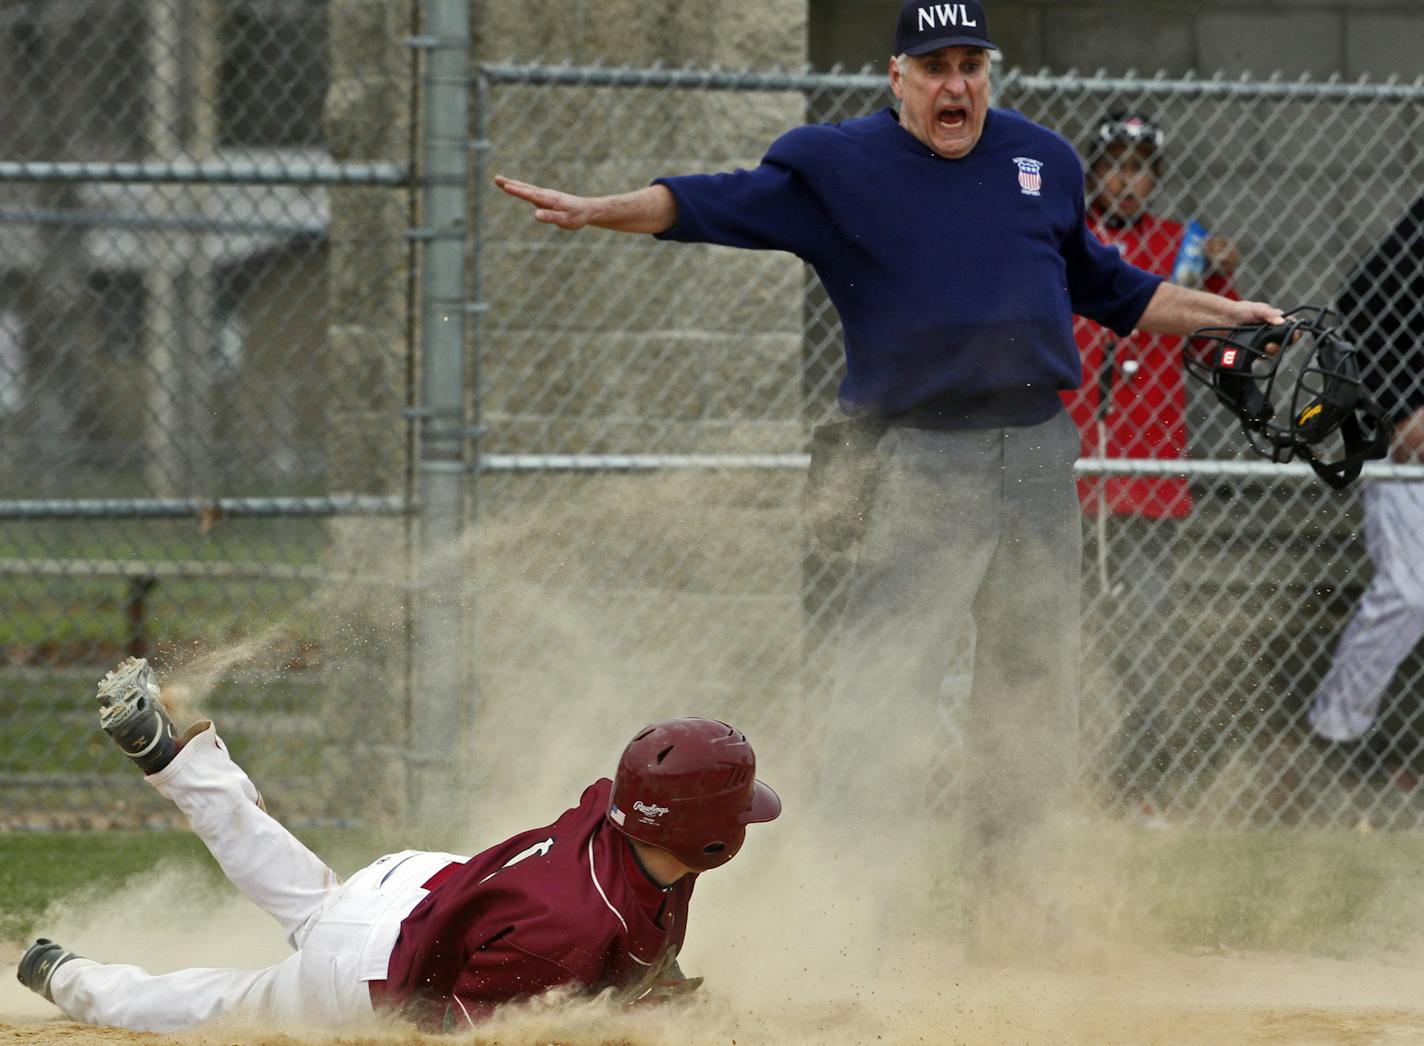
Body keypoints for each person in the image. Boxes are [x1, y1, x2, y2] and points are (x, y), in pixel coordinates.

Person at [495, 0, 1283, 933]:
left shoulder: (1045, 162)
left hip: (1037, 455)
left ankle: (1012, 905)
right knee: (886, 685)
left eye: (971, 65)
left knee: (1033, 690)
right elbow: (710, 200)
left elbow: (1112, 288)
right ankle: (850, 910)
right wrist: (600, 212)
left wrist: (1229, 316)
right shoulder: (840, 165)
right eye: (934, 65)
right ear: (896, 75)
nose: (956, 84)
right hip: (919, 460)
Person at [15, 657, 780, 1033]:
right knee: (219, 1004)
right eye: (736, 814)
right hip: (367, 975)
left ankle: (182, 764)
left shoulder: (618, 816)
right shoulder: (571, 934)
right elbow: (449, 1030)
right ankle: (69, 978)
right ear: (701, 838)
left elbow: (639, 916)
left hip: (407, 889)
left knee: (303, 889)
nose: (743, 822)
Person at [1061, 112, 1242, 804]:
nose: (1126, 179)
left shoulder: (1181, 246)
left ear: (1156, 178)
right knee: (1061, 637)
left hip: (1149, 475)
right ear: (1094, 172)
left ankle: (1141, 785)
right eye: (1113, 164)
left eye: (1140, 167)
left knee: (1144, 641)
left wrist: (1221, 287)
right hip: (1072, 476)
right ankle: (1061, 777)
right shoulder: (1070, 236)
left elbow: (1210, 348)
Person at [1308, 195, 1424, 744]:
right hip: (1410, 445)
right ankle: (1335, 733)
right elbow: (1363, 303)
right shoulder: (1416, 235)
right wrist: (1400, 409)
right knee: (1409, 591)